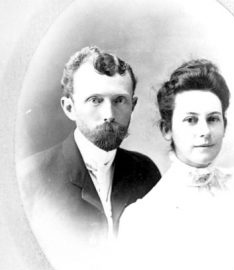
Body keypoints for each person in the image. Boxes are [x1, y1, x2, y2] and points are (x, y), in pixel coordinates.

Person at [119, 59, 234, 270]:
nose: (205, 131)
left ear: (224, 125)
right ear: (167, 129)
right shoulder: (142, 218)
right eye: (190, 120)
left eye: (213, 119)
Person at [17, 46, 161, 258]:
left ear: (133, 105)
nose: (109, 114)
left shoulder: (146, 171)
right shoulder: (29, 177)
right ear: (69, 108)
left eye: (119, 100)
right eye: (95, 100)